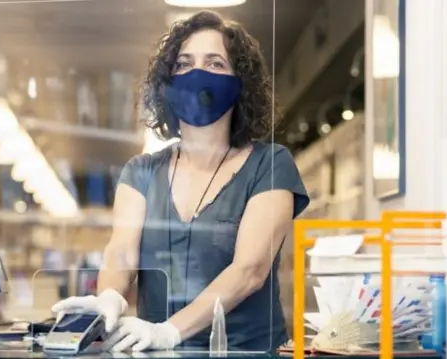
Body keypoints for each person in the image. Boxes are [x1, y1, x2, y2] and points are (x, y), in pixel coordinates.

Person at [51, 10, 310, 352]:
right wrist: (111, 297)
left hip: (246, 351)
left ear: (240, 84)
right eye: (184, 63)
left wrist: (169, 331)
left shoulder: (270, 164)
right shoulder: (140, 171)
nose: (197, 73)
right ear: (167, 82)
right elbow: (122, 251)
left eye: (215, 63)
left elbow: (250, 269)